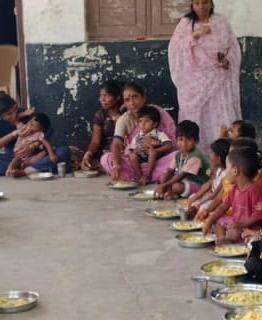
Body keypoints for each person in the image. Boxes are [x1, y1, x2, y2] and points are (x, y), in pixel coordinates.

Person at [168, 0, 242, 153]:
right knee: (196, 118)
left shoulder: (221, 22)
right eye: (197, 3)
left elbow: (233, 48)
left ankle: (223, 155)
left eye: (205, 2)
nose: (201, 7)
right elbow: (175, 49)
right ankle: (196, 156)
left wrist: (227, 61)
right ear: (192, 5)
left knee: (220, 117)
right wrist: (195, 35)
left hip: (219, 79)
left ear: (211, 3)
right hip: (194, 81)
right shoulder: (186, 24)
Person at [100, 82, 177, 182]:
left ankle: (142, 177)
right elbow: (116, 144)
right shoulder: (124, 120)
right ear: (124, 103)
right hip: (136, 163)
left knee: (178, 156)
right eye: (127, 100)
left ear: (143, 98)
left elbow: (172, 139)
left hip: (160, 160)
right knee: (106, 158)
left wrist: (156, 146)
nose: (132, 102)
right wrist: (116, 166)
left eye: (135, 97)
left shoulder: (157, 112)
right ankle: (146, 176)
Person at [202, 140, 262, 244]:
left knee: (234, 234)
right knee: (217, 221)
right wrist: (210, 220)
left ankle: (229, 239)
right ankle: (221, 239)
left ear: (235, 171)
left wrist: (241, 224)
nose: (226, 172)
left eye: (227, 168)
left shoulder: (255, 189)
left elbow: (259, 215)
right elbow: (222, 207)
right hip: (237, 225)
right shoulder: (235, 189)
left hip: (252, 228)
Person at [0, 94, 70, 176]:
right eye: (9, 114)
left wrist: (32, 146)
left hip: (36, 155)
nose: (14, 115)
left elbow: (49, 131)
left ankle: (24, 171)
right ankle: (38, 168)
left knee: (63, 152)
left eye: (15, 110)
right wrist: (14, 134)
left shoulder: (25, 113)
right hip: (15, 157)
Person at [156, 120, 210, 200]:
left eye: (188, 140)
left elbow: (180, 176)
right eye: (181, 139)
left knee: (176, 186)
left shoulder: (196, 157)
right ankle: (171, 193)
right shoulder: (178, 155)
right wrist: (164, 184)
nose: (184, 143)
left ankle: (174, 193)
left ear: (196, 141)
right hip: (187, 181)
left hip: (201, 184)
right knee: (164, 176)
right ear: (176, 140)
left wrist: (163, 186)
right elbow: (170, 171)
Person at [81, 80, 124, 171]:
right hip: (104, 151)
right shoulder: (100, 114)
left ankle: (108, 165)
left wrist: (120, 118)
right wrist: (87, 155)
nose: (101, 99)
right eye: (101, 95)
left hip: (121, 150)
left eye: (106, 95)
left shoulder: (126, 114)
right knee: (73, 151)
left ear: (117, 97)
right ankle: (102, 164)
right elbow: (96, 141)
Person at [128, 106, 174, 185]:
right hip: (142, 158)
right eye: (140, 121)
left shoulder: (159, 134)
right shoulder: (137, 137)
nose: (142, 124)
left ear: (155, 124)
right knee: (132, 157)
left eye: (147, 121)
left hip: (157, 157)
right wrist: (137, 151)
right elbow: (132, 150)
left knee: (153, 153)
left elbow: (169, 146)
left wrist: (156, 149)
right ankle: (141, 176)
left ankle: (148, 175)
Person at [185, 138, 230, 220]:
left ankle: (198, 220)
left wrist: (198, 203)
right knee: (193, 196)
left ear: (219, 158)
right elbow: (207, 185)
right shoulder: (217, 169)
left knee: (203, 207)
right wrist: (193, 199)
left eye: (212, 153)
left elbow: (215, 196)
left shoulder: (226, 175)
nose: (210, 155)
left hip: (217, 200)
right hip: (210, 195)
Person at [6, 113, 60, 177]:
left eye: (34, 126)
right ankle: (10, 170)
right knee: (15, 160)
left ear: (40, 129)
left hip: (31, 157)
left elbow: (47, 143)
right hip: (19, 155)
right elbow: (15, 121)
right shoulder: (23, 128)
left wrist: (51, 155)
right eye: (30, 122)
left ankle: (22, 170)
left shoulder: (38, 134)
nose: (30, 125)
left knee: (43, 154)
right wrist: (23, 114)